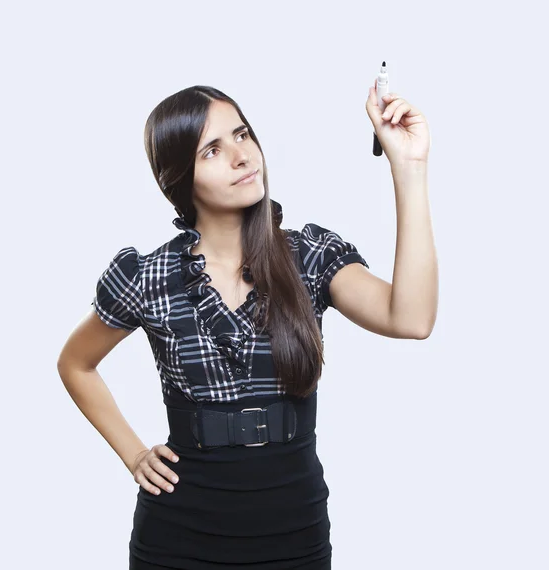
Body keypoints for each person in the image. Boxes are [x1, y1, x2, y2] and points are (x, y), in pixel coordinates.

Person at [57, 83, 436, 569]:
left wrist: (410, 168)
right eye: (213, 150)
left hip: (293, 528)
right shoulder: (147, 277)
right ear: (179, 177)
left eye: (243, 135)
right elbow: (76, 363)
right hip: (179, 532)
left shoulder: (309, 258)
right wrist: (133, 455)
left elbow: (412, 318)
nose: (242, 156)